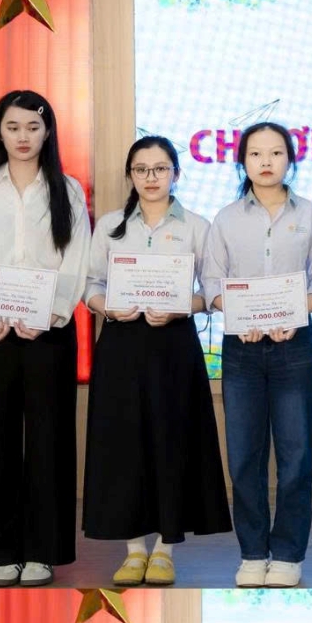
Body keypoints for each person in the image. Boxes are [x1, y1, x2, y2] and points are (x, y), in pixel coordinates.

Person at [0, 89, 90, 588]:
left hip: (49, 331)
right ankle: (3, 552)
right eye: (13, 127)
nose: (23, 136)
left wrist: (53, 313)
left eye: (33, 127)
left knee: (50, 440)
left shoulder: (67, 189)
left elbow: (76, 259)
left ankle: (43, 552)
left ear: (47, 131)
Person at [83, 136, 231, 588]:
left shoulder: (197, 227)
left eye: (160, 168)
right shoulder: (110, 226)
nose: (151, 177)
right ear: (130, 175)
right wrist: (106, 307)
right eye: (141, 169)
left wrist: (183, 306)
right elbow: (90, 283)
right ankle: (133, 551)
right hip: (121, 343)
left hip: (174, 345)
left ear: (176, 174)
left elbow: (212, 290)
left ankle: (165, 550)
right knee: (123, 444)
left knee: (172, 441)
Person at [204, 123, 312, 589]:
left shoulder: (311, 215)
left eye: (276, 153)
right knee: (244, 458)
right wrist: (239, 314)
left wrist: (295, 314)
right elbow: (212, 282)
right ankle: (253, 553)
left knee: (296, 457)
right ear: (242, 161)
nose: (265, 161)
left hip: (293, 347)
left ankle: (288, 554)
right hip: (241, 349)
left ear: (290, 160)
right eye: (256, 154)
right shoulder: (225, 219)